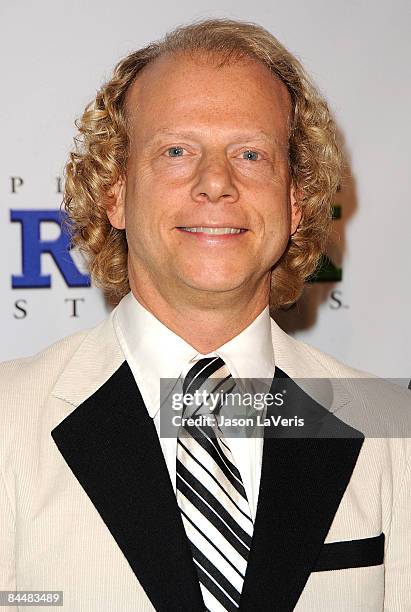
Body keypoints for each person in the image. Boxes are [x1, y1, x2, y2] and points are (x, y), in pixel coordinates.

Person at [0, 17, 410, 612]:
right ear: (114, 192)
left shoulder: (392, 430)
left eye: (250, 153)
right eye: (175, 151)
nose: (216, 183)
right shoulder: (7, 420)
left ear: (295, 201)